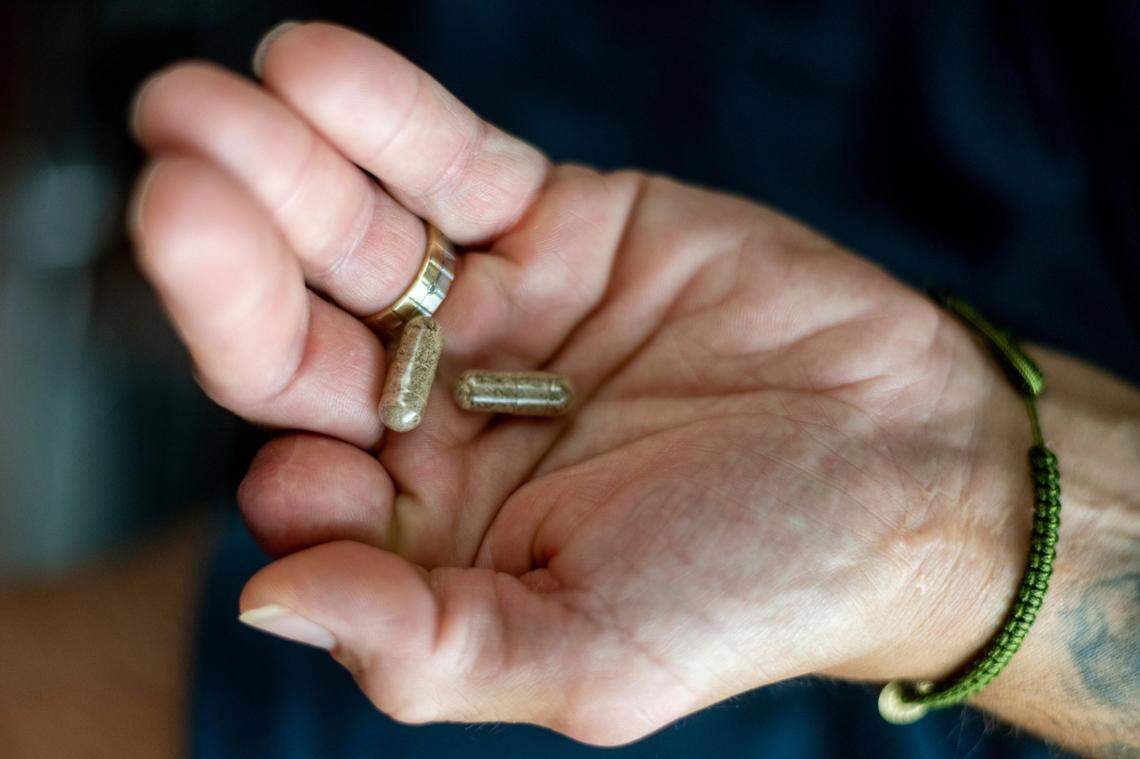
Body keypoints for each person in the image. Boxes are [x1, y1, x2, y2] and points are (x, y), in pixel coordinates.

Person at [3, 17, 1135, 759]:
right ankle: (131, 138)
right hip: (917, 90)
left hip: (923, 675)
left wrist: (963, 522)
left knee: (242, 675)